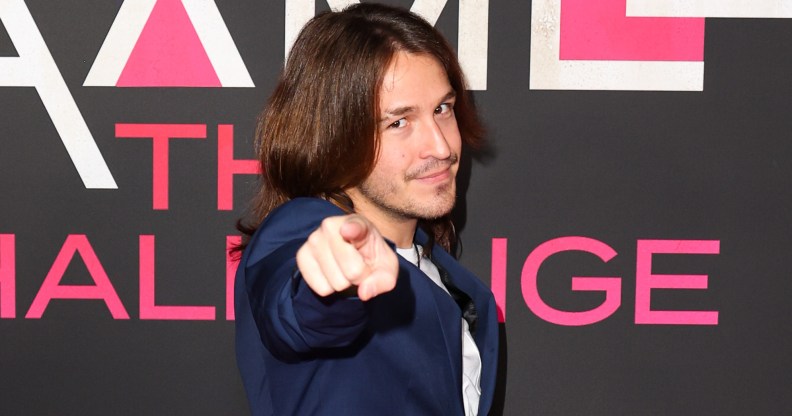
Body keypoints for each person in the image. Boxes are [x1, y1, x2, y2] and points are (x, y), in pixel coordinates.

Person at [234, 3, 498, 415]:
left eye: (442, 109)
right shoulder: (301, 229)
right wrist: (334, 285)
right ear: (334, 136)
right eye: (398, 122)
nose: (442, 147)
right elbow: (297, 305)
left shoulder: (445, 275)